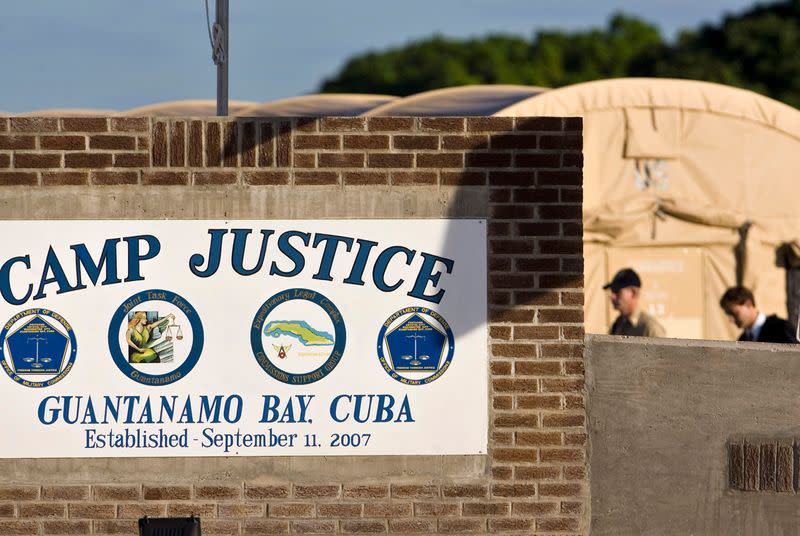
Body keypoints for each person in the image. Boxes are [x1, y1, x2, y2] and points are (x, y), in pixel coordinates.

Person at [719, 286, 798, 343]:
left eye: (734, 313)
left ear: (748, 304)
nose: (731, 319)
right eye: (729, 314)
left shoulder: (781, 328)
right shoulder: (742, 340)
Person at [604, 268, 666, 337]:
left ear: (633, 293)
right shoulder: (618, 324)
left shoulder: (650, 328)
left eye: (617, 291)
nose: (612, 296)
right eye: (612, 291)